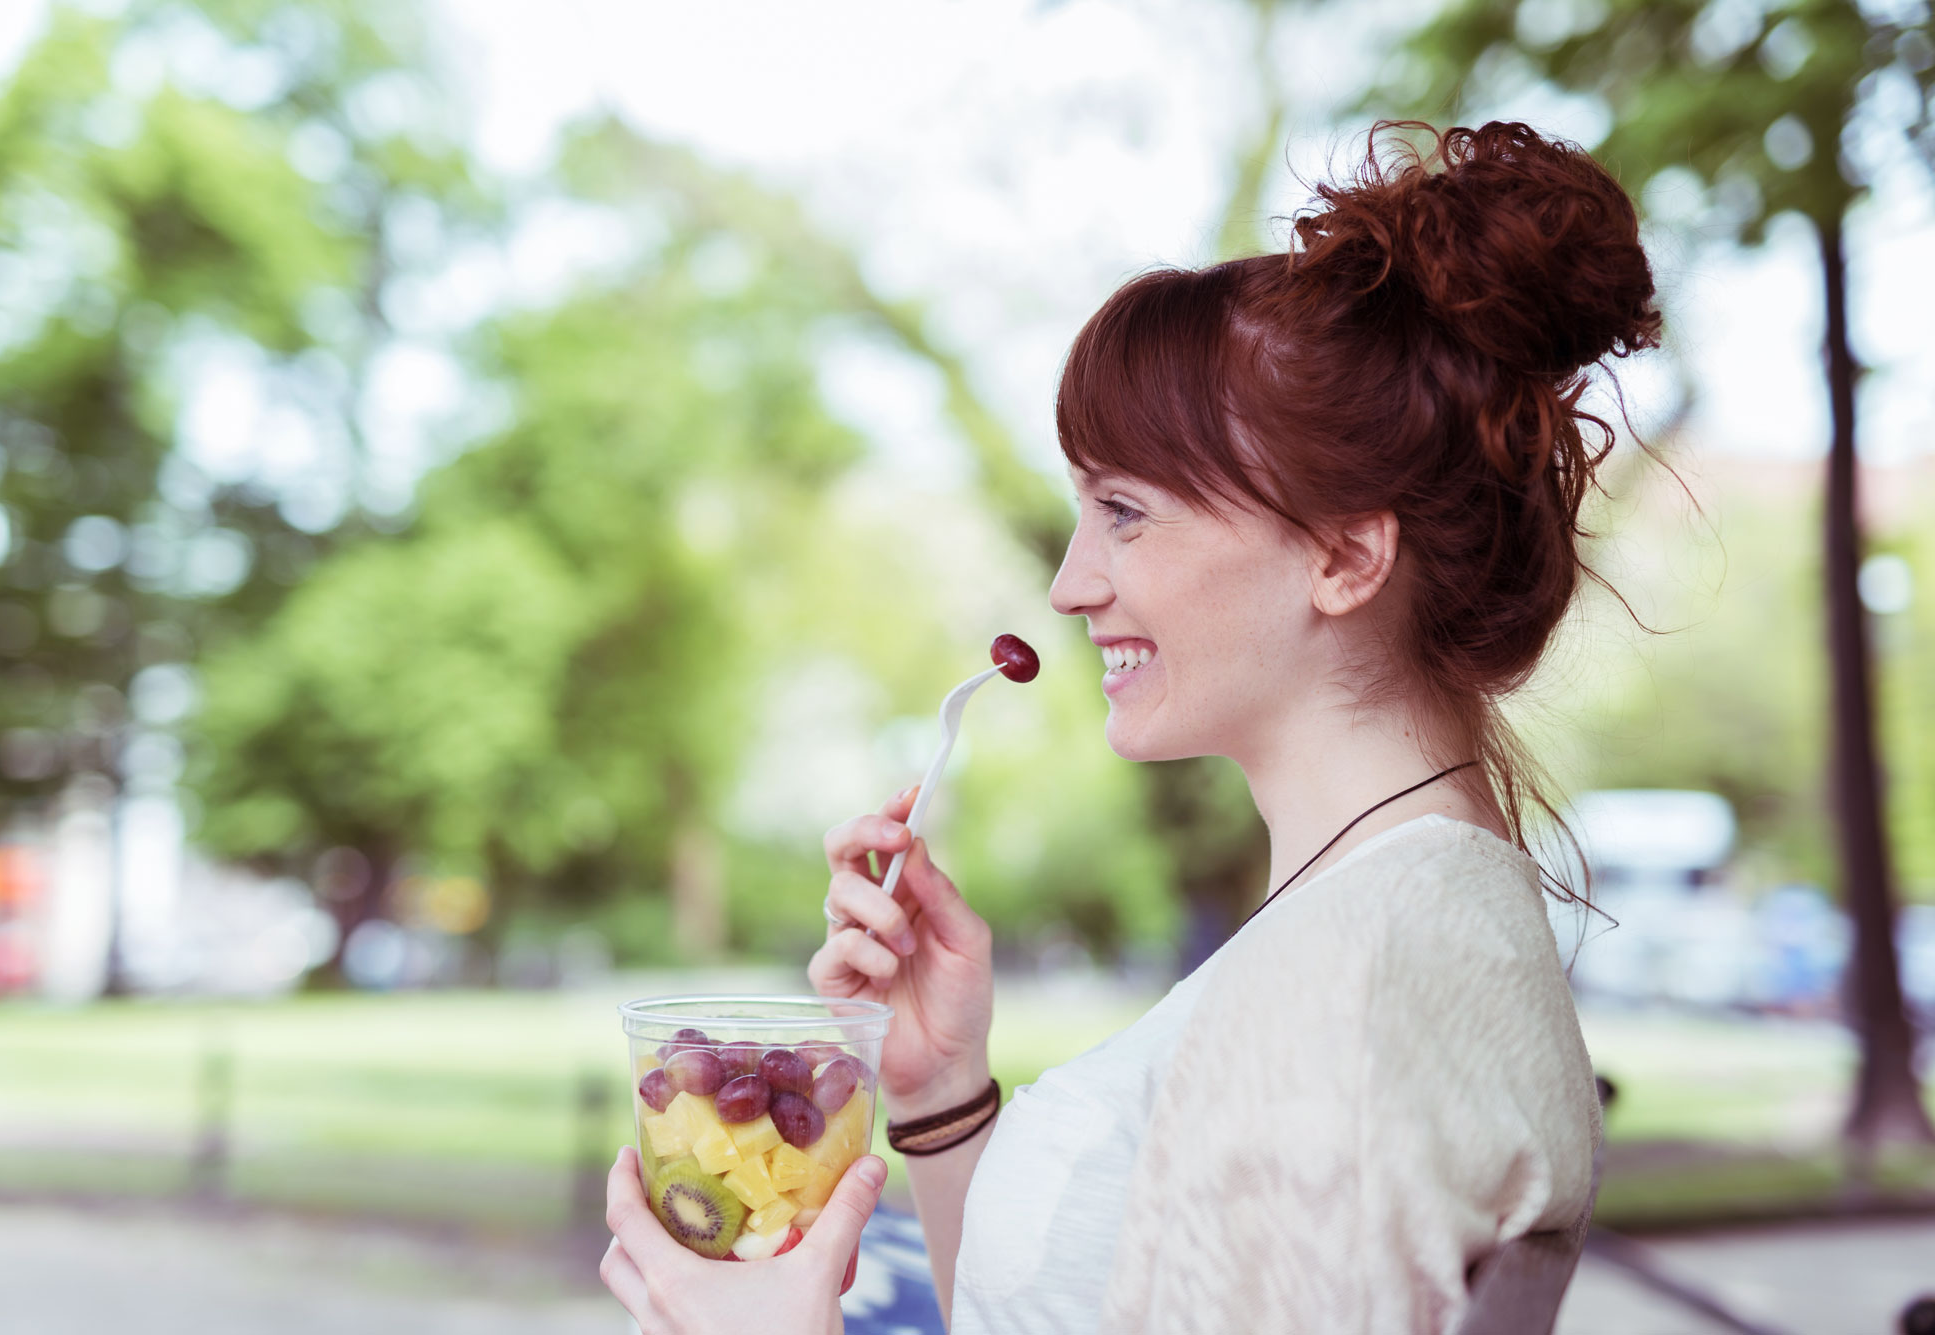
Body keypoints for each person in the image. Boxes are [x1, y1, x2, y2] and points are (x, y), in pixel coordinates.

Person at [600, 118, 1660, 1334]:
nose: (1066, 584)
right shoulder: (1394, 922)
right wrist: (940, 1088)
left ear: (1344, 554)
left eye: (1123, 511)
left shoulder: (1343, 998)